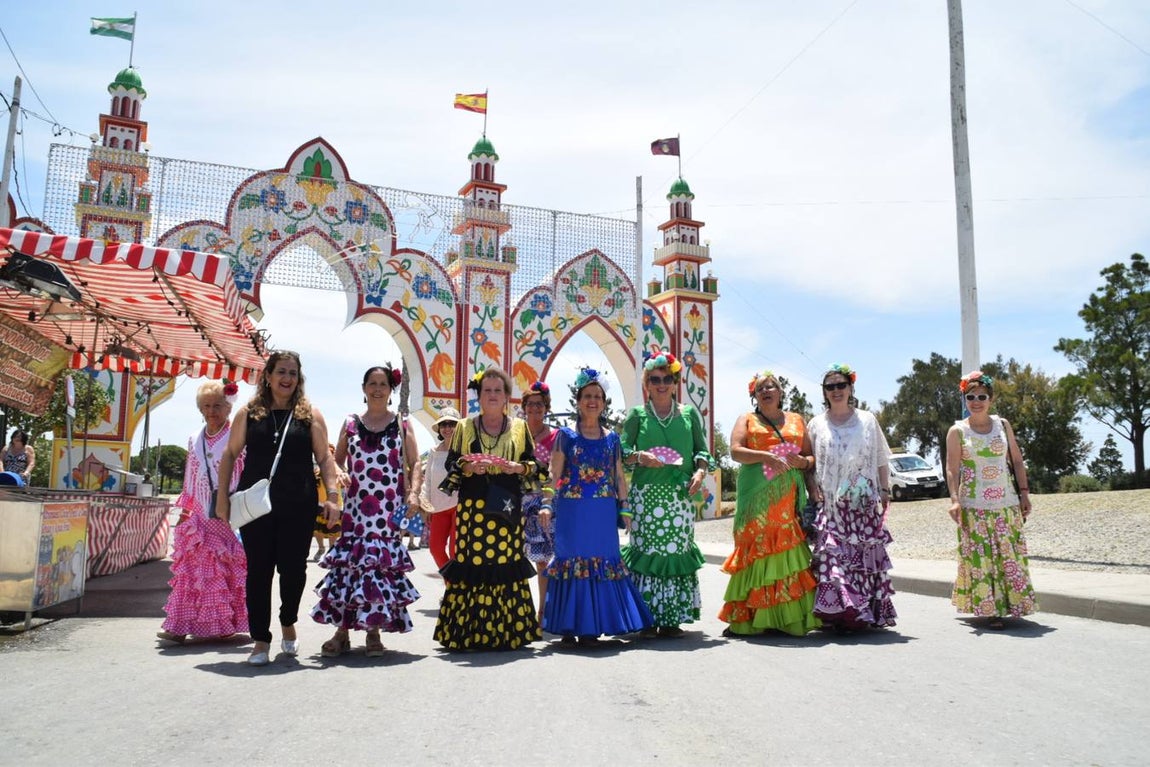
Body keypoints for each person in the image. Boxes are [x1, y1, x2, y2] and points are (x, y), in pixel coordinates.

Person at [216, 350, 340, 666]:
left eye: (293, 373)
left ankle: (287, 620)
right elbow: (230, 455)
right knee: (258, 571)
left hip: (299, 503)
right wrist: (221, 498)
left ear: (299, 379)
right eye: (281, 372)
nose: (287, 379)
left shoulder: (310, 415)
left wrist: (334, 496)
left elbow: (325, 458)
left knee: (293, 570)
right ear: (268, 376)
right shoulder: (248, 413)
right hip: (257, 507)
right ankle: (260, 640)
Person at [311, 365, 422, 658]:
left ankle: (373, 632)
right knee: (351, 567)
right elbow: (332, 461)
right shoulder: (350, 423)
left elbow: (415, 462)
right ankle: (342, 632)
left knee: (377, 568)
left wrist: (413, 493)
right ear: (363, 388)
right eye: (372, 384)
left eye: (383, 384)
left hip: (387, 512)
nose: (377, 389)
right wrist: (340, 473)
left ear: (390, 389)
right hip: (357, 511)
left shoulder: (403, 424)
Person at [539, 368, 651, 646]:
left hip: (602, 512)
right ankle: (568, 624)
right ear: (578, 401)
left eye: (598, 396)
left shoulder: (612, 438)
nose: (593, 400)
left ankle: (591, 628)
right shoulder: (565, 436)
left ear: (604, 402)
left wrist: (624, 508)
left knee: (602, 562)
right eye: (587, 396)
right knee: (571, 561)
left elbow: (618, 475)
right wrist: (546, 504)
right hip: (571, 512)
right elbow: (554, 473)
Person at [434, 368, 544, 652]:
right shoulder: (464, 427)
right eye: (487, 390)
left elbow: (533, 466)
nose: (492, 395)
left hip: (506, 508)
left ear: (507, 397)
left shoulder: (520, 429)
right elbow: (452, 464)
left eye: (498, 390)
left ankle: (506, 633)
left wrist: (517, 467)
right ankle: (471, 633)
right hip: (473, 509)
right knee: (473, 564)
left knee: (505, 564)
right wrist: (468, 467)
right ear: (479, 396)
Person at [718, 371, 821, 637]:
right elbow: (735, 450)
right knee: (756, 550)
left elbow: (811, 457)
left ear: (781, 391)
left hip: (788, 499)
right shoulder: (747, 419)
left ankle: (785, 619)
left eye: (772, 386)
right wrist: (765, 456)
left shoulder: (797, 420)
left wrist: (804, 464)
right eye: (761, 388)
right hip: (756, 498)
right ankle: (750, 617)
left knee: (785, 550)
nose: (767, 390)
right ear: (754, 395)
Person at [620, 351, 713, 637]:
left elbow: (702, 451)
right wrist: (639, 456)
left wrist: (699, 471)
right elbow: (621, 453)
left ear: (675, 382)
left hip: (678, 497)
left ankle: (671, 618)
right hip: (645, 498)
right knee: (647, 553)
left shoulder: (688, 414)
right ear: (647, 383)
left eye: (667, 379)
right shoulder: (637, 415)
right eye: (655, 379)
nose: (662, 384)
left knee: (675, 552)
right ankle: (646, 618)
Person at [806, 363, 897, 631]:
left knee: (862, 560)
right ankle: (839, 613)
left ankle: (861, 612)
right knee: (833, 558)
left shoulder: (867, 420)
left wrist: (884, 489)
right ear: (824, 392)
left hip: (862, 504)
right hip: (831, 504)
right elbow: (809, 463)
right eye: (830, 387)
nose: (836, 391)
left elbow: (881, 457)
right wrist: (812, 488)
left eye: (841, 385)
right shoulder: (815, 424)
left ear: (850, 388)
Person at [945, 370, 1038, 629]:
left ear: (991, 399)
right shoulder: (957, 431)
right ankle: (991, 610)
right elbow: (952, 469)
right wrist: (954, 500)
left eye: (982, 396)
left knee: (1008, 556)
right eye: (970, 396)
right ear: (964, 399)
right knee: (982, 559)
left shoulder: (1003, 425)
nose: (976, 401)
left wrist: (1024, 493)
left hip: (1006, 504)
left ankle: (1013, 604)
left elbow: (1017, 461)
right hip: (974, 506)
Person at [157, 381, 248, 644]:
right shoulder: (194, 438)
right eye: (206, 406)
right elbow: (191, 475)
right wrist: (186, 510)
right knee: (192, 571)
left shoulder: (236, 435)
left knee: (220, 569)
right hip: (199, 511)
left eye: (217, 405)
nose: (212, 411)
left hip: (228, 512)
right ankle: (178, 625)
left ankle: (222, 623)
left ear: (228, 407)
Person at [520, 380, 558, 623]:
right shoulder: (515, 432)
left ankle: (542, 611)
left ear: (546, 408)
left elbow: (556, 470)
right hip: (516, 503)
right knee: (516, 559)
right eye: (530, 405)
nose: (535, 409)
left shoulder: (555, 436)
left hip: (543, 503)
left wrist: (547, 500)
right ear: (524, 407)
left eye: (539, 405)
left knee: (543, 561)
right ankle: (520, 612)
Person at [418, 407, 462, 572]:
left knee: (455, 552)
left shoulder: (464, 450)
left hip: (460, 507)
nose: (447, 428)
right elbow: (428, 481)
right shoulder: (433, 452)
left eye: (452, 424)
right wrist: (426, 504)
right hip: (437, 508)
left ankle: (454, 593)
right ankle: (451, 586)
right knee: (435, 549)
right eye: (444, 424)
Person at [312, 444, 341, 561]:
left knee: (333, 530)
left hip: (335, 503)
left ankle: (331, 551)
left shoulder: (338, 468)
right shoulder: (317, 469)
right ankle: (321, 548)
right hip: (320, 503)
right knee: (318, 529)